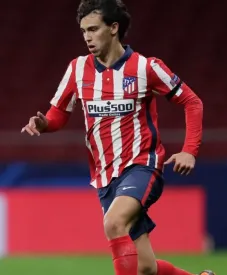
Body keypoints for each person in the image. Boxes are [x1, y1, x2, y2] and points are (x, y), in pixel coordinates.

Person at [20, 1, 214, 275]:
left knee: (113, 224)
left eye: (93, 29)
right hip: (105, 176)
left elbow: (192, 103)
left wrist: (189, 150)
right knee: (145, 267)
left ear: (113, 28)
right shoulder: (77, 69)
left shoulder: (147, 67)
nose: (87, 36)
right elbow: (58, 114)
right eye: (83, 30)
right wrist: (43, 124)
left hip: (142, 165)